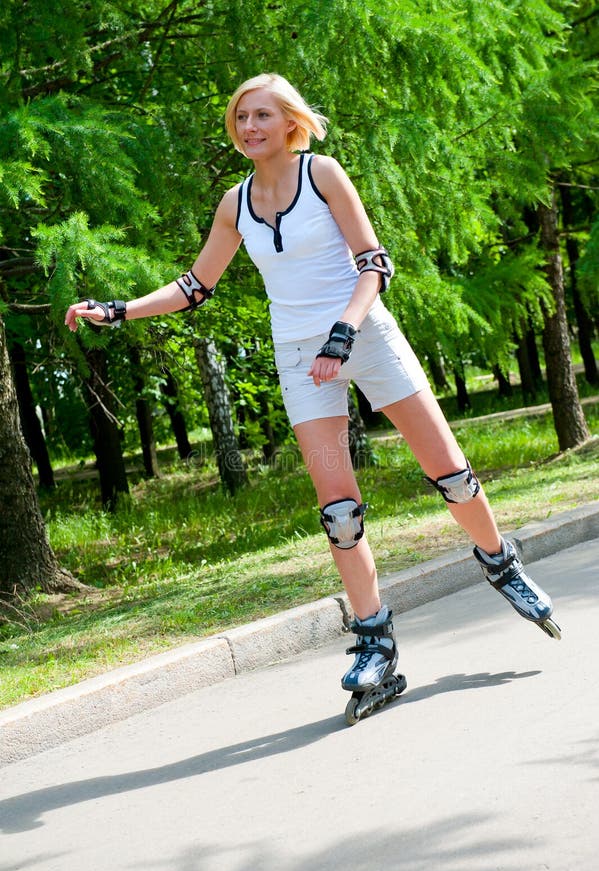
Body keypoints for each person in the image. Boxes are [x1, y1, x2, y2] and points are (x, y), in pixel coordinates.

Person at [65, 73, 560, 724]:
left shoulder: (322, 174)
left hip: (365, 335)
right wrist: (117, 309)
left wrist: (343, 332)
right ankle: (375, 642)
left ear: (290, 121)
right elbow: (194, 285)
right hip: (299, 355)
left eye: (262, 115)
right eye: (241, 117)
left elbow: (373, 264)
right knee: (339, 513)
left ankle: (499, 563)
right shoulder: (233, 203)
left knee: (451, 477)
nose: (249, 127)